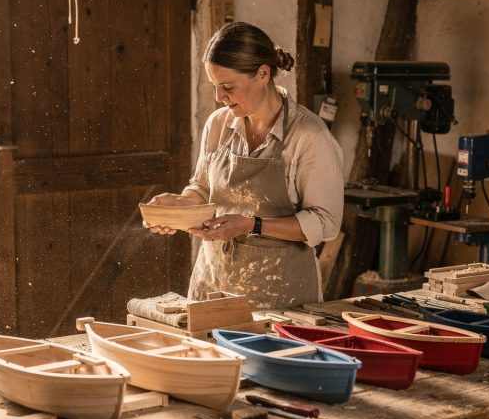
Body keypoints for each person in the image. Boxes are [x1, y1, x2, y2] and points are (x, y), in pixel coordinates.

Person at [146, 22, 344, 309]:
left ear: (263, 74)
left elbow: (325, 223)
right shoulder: (218, 124)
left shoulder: (309, 137)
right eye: (215, 87)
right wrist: (180, 205)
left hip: (280, 295)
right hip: (213, 285)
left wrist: (251, 225)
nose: (219, 98)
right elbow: (203, 187)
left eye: (227, 87)